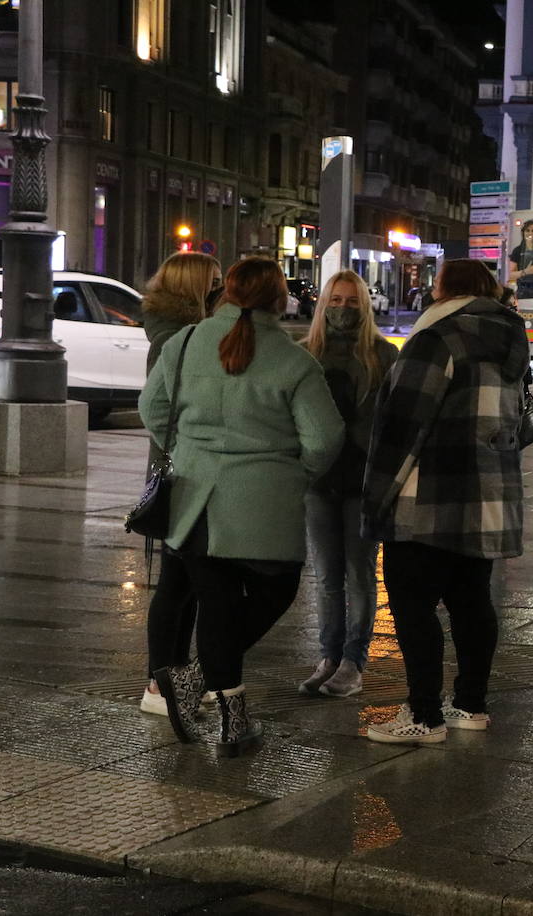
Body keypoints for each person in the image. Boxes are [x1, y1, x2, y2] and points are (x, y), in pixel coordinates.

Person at [141, 257, 344, 757]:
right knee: (274, 590)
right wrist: (297, 472)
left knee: (217, 601)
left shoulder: (185, 343)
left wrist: (191, 446)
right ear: (280, 300)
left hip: (193, 500)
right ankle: (223, 712)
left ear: (226, 294)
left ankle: (210, 699)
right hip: (265, 501)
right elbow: (324, 438)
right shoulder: (295, 361)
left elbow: (152, 410)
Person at [361, 259, 528, 742]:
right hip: (485, 499)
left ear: (442, 291)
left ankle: (424, 715)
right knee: (472, 602)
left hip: (428, 498)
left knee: (414, 608)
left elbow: (402, 427)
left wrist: (376, 499)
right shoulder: (508, 341)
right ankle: (470, 705)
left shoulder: (438, 339)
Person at [298, 271, 399, 698]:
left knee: (358, 574)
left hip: (362, 483)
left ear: (365, 305)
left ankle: (353, 661)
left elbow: (390, 424)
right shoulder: (306, 353)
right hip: (318, 482)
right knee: (325, 576)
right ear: (323, 304)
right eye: (335, 300)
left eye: (352, 301)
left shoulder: (382, 355)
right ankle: (328, 655)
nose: (343, 308)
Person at [138, 251, 221, 719]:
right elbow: (158, 410)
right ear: (193, 288)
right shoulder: (172, 337)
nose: (220, 289)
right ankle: (158, 679)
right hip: (178, 472)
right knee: (174, 582)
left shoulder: (188, 333)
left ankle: (177, 673)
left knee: (188, 581)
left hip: (188, 469)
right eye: (213, 283)